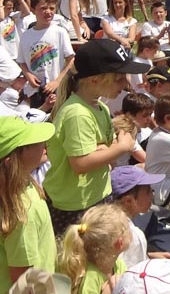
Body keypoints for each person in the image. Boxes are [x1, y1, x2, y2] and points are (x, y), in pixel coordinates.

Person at [44, 40, 147, 235]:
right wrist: (120, 148)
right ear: (94, 80)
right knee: (78, 253)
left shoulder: (100, 108)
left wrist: (107, 150)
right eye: (119, 78)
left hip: (97, 194)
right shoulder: (77, 114)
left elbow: (105, 148)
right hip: (75, 204)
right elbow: (80, 164)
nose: (126, 84)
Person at [0, 117, 57, 294]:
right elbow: (22, 277)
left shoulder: (22, 189)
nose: (43, 143)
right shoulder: (21, 210)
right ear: (13, 160)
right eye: (33, 142)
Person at [111, 166, 170, 268]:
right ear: (129, 201)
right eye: (148, 191)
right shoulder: (133, 236)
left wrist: (148, 256)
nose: (152, 195)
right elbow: (133, 273)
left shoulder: (106, 222)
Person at [17, 0, 74, 106]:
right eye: (43, 8)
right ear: (33, 10)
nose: (48, 12)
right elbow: (22, 62)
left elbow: (71, 59)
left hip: (56, 89)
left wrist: (57, 81)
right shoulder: (26, 35)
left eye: (52, 8)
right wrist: (28, 75)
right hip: (35, 90)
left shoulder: (60, 32)